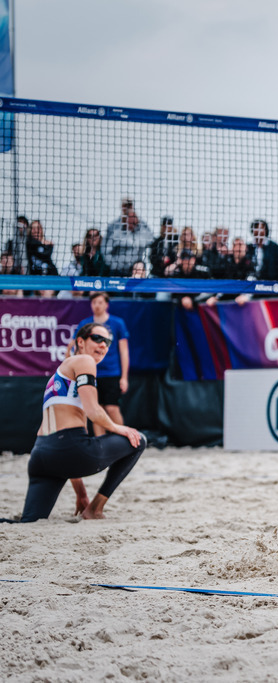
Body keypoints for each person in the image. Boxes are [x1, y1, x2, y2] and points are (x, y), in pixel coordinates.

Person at [2, 323, 146, 523]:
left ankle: (88, 504)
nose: (103, 345)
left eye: (108, 342)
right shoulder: (84, 360)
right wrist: (119, 428)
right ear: (81, 341)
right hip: (67, 449)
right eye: (98, 338)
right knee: (138, 440)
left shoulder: (58, 375)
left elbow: (71, 435)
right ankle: (95, 509)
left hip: (42, 457)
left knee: (28, 522)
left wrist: (80, 494)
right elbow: (93, 410)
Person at [69, 292, 130, 435]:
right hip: (91, 372)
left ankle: (124, 440)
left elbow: (124, 352)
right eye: (94, 302)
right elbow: (73, 347)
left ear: (106, 305)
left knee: (112, 408)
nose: (97, 305)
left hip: (111, 373)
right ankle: (100, 445)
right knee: (96, 410)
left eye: (100, 302)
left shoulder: (117, 323)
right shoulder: (85, 324)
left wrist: (124, 377)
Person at [104, 197, 154, 276]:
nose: (127, 208)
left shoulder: (143, 226)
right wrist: (114, 265)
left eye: (129, 205)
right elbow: (105, 249)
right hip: (117, 270)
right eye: (125, 205)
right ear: (122, 206)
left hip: (135, 269)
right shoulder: (113, 226)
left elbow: (151, 242)